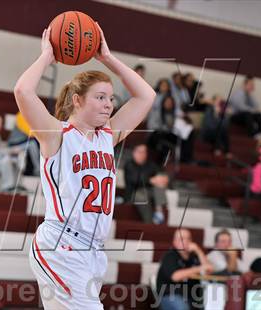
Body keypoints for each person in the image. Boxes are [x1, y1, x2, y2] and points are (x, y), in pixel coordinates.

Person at [14, 24, 155, 309]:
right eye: (100, 97)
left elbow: (146, 96)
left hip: (91, 251)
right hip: (60, 245)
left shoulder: (108, 135)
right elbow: (23, 90)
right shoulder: (57, 134)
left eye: (111, 98)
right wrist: (46, 56)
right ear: (77, 100)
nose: (109, 105)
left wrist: (108, 58)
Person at [156, 229, 212, 310]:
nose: (185, 241)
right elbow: (175, 276)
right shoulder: (169, 256)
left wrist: (198, 251)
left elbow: (209, 270)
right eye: (181, 239)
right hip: (170, 295)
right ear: (174, 242)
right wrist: (198, 268)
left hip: (192, 297)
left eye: (188, 238)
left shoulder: (194, 257)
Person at [123, 144, 169, 224]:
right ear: (134, 153)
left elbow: (159, 174)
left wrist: (163, 178)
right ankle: (149, 222)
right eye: (140, 152)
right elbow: (135, 180)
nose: (142, 154)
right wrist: (150, 180)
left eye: (144, 152)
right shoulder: (129, 165)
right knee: (140, 197)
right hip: (134, 193)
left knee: (160, 186)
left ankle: (159, 211)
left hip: (150, 193)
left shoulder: (150, 164)